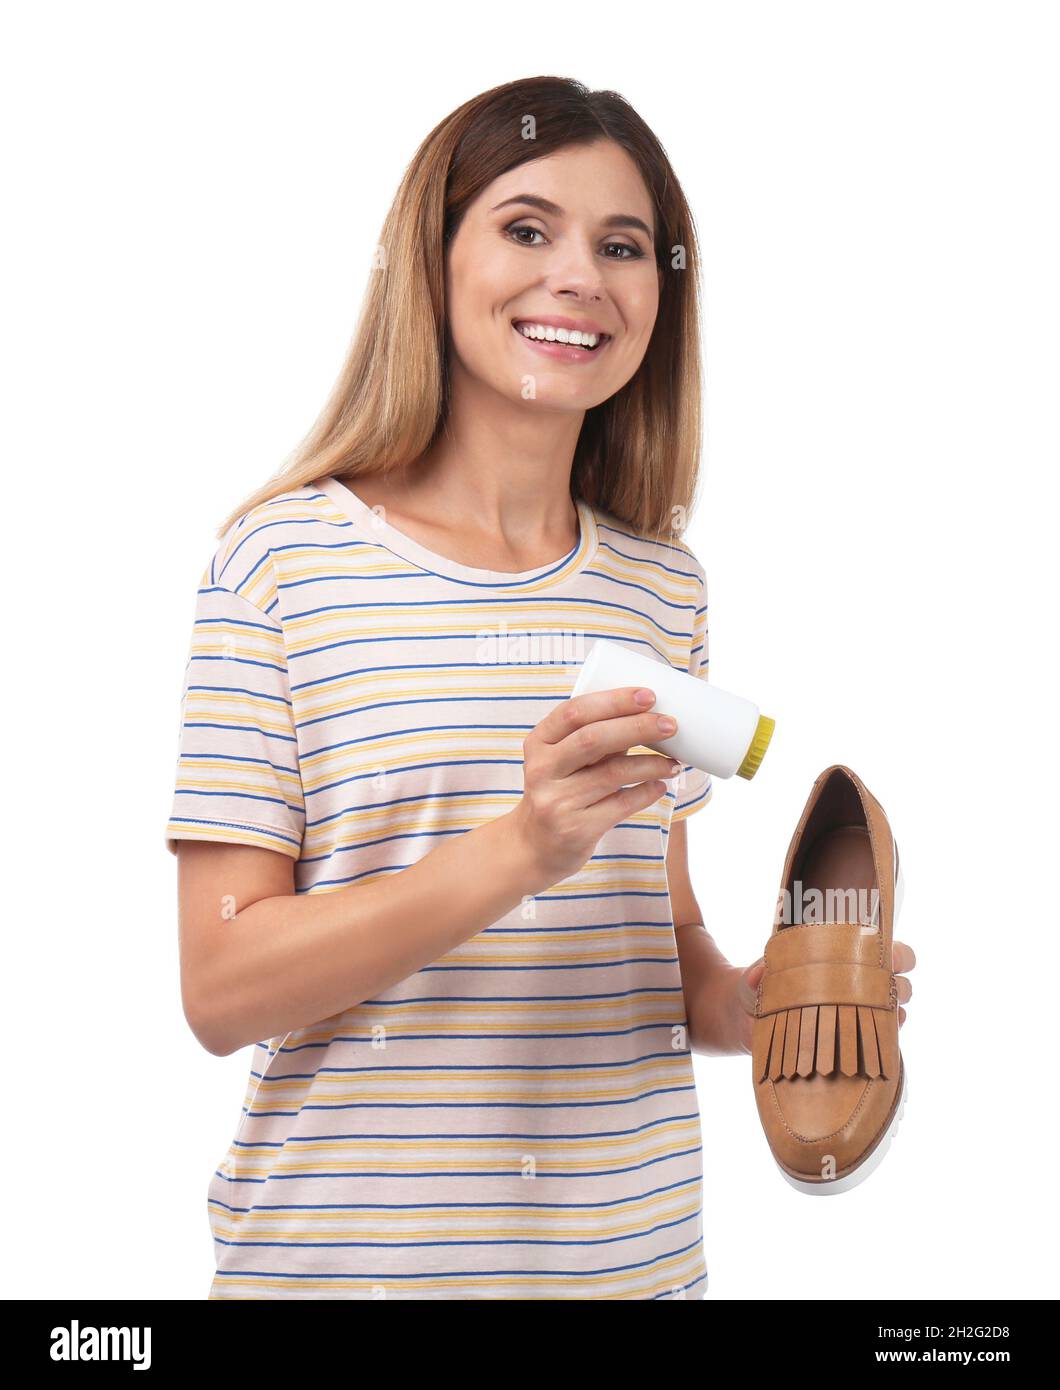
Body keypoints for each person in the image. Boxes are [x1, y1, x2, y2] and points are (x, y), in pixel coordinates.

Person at [165, 75, 913, 1300]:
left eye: (622, 246)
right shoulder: (281, 562)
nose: (580, 276)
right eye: (526, 228)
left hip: (633, 1268)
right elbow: (220, 988)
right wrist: (519, 845)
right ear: (434, 257)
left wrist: (758, 1002)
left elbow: (653, 946)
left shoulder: (661, 590)